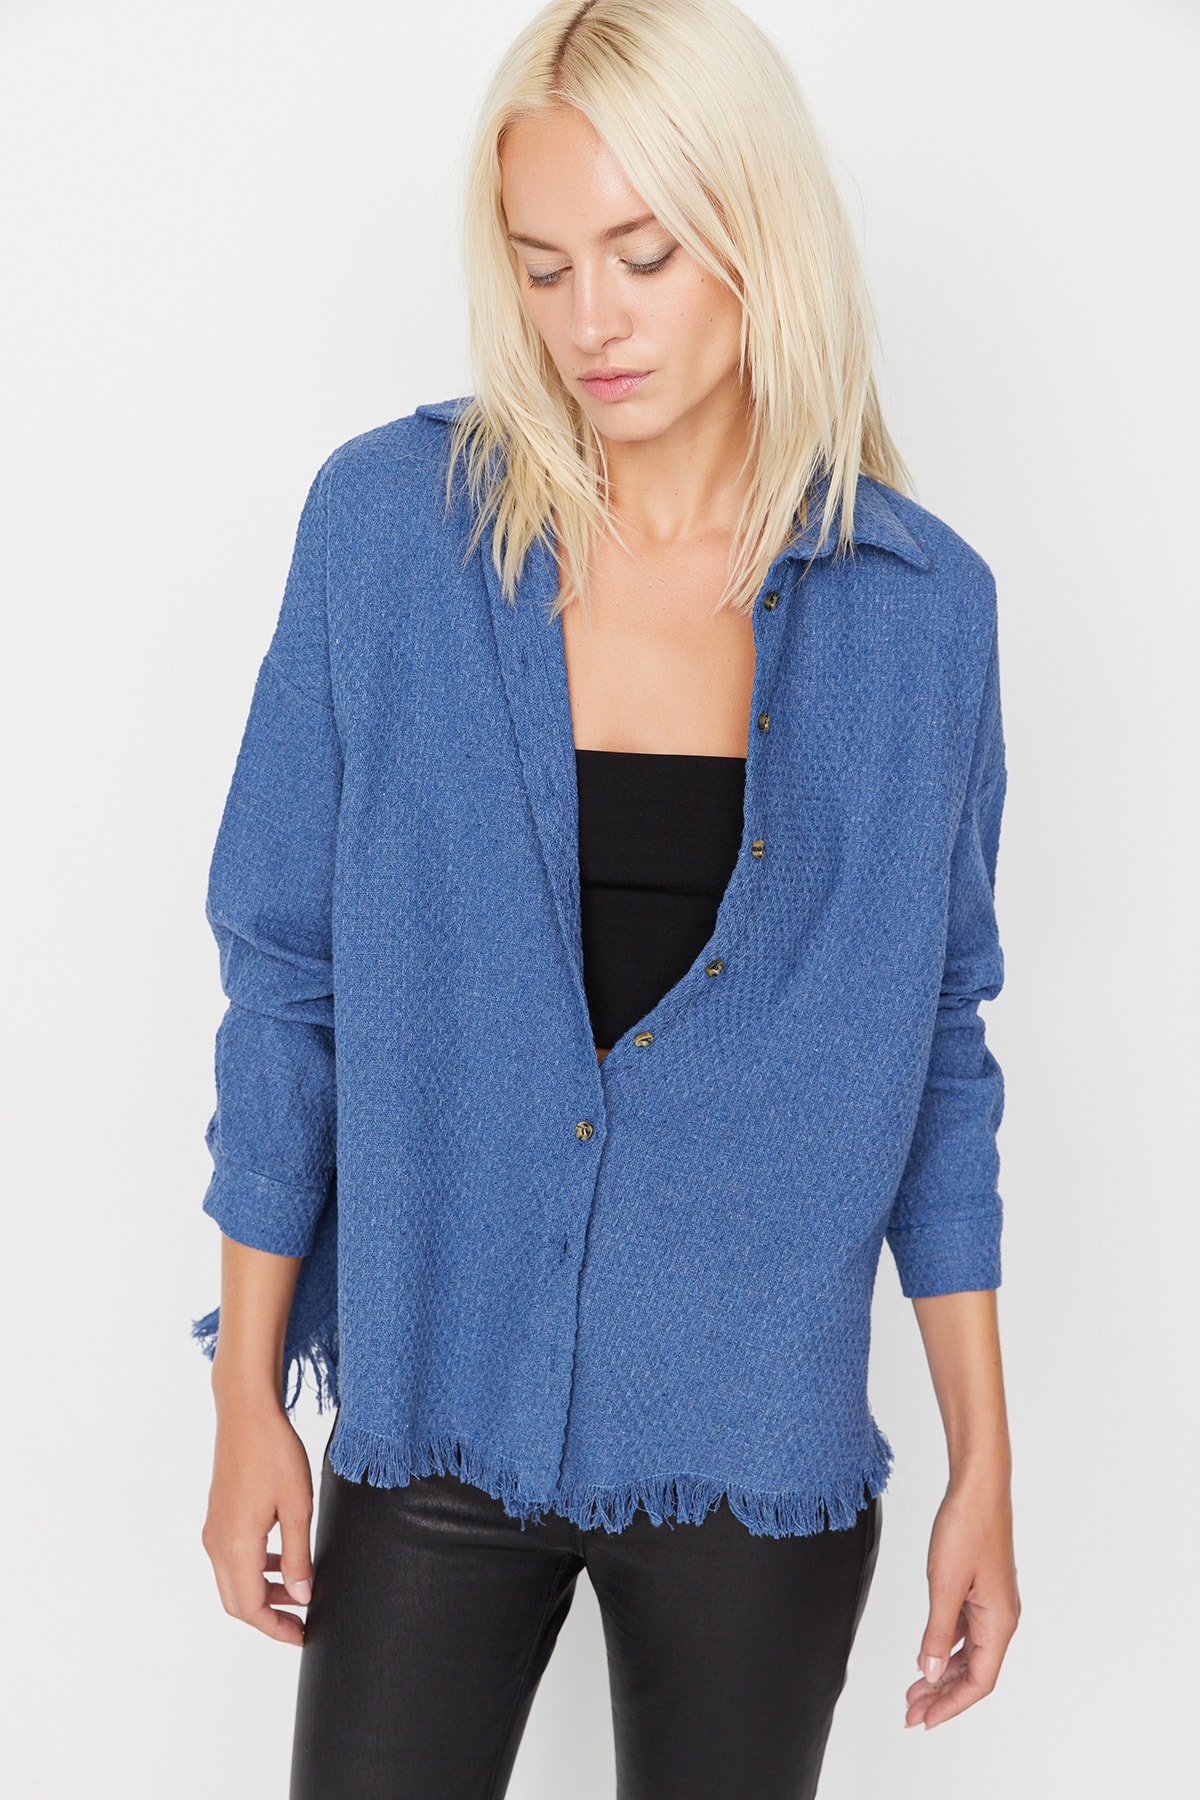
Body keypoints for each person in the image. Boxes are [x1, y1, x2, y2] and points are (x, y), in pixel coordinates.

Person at [193, 2, 1021, 1794]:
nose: (591, 324)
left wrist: (986, 1466)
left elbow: (939, 1051)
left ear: (760, 236)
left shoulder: (921, 615)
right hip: (434, 1411)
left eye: (643, 257)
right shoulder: (389, 533)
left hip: (756, 1447)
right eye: (543, 264)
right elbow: (286, 975)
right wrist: (246, 1394)